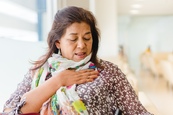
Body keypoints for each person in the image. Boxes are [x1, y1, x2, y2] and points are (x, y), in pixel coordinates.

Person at [3, 6, 153, 115]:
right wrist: (58, 81)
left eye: (87, 38)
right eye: (73, 39)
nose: (82, 45)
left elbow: (139, 112)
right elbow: (11, 111)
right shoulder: (40, 71)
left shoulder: (107, 72)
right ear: (58, 43)